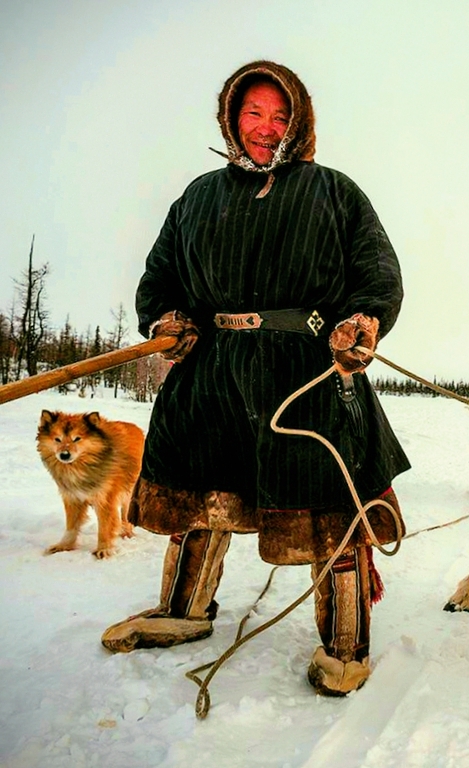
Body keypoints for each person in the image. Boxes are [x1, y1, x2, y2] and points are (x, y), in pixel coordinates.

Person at [101, 60, 410, 697]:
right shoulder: (197, 197)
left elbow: (377, 272)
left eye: (278, 116)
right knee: (198, 493)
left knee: (331, 503)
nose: (266, 128)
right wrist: (165, 318)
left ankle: (344, 646)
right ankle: (182, 612)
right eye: (253, 114)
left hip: (308, 369)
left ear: (298, 123)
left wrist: (363, 322)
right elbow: (159, 276)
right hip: (210, 370)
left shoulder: (334, 192)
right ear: (231, 120)